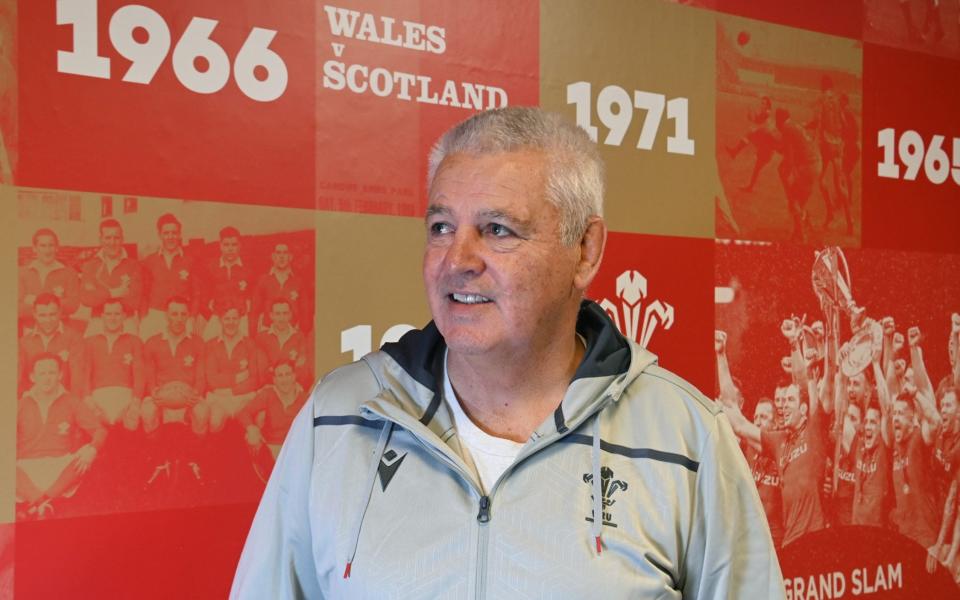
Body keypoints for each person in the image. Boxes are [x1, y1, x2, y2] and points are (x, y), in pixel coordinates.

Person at [231, 107, 783, 598]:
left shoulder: (688, 440)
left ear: (585, 250)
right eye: (442, 226)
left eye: (498, 230)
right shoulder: (337, 419)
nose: (457, 259)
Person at [17, 353, 106, 519]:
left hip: (60, 464)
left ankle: (38, 503)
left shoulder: (71, 401)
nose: (47, 378)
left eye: (51, 373)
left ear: (60, 375)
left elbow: (99, 430)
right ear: (32, 377)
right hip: (26, 465)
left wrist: (93, 449)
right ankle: (43, 504)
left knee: (83, 456)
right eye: (42, 373)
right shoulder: (21, 404)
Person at [140, 213, 199, 341]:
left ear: (179, 234)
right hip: (156, 314)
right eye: (166, 233)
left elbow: (196, 294)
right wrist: (144, 317)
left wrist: (192, 317)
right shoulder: (149, 261)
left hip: (181, 316)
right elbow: (144, 293)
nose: (170, 237)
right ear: (160, 235)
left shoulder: (190, 261)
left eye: (174, 233)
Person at [79, 219, 142, 336]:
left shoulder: (134, 265)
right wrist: (113, 293)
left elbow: (135, 302)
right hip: (98, 319)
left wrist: (99, 295)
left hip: (126, 321)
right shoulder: (90, 266)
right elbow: (86, 298)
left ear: (122, 239)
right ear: (101, 239)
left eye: (116, 238)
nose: (112, 242)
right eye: (108, 238)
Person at [18, 228, 81, 331]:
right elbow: (17, 308)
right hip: (29, 329)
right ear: (34, 248)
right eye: (42, 246)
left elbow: (73, 305)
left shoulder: (69, 272)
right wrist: (58, 303)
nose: (47, 250)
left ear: (57, 247)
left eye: (51, 245)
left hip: (60, 331)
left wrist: (35, 301)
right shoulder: (22, 272)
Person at [200, 226, 254, 341]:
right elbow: (204, 296)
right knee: (207, 344)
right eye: (226, 245)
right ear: (220, 246)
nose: (230, 249)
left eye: (234, 245)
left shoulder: (249, 269)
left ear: (239, 246)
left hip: (240, 319)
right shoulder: (210, 267)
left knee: (243, 348)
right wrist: (212, 311)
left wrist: (245, 309)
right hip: (218, 317)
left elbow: (253, 296)